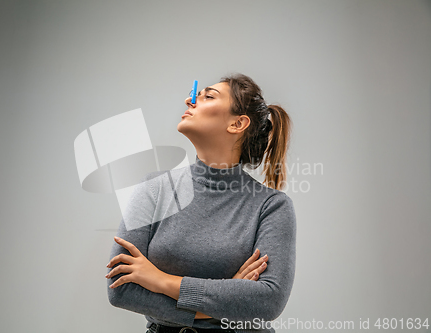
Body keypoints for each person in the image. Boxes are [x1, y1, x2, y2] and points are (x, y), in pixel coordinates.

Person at [106, 73, 296, 333]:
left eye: (208, 96)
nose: (189, 101)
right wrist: (222, 303)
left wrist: (160, 280)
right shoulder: (153, 189)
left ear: (237, 123)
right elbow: (121, 288)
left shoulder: (271, 206)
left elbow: (268, 300)